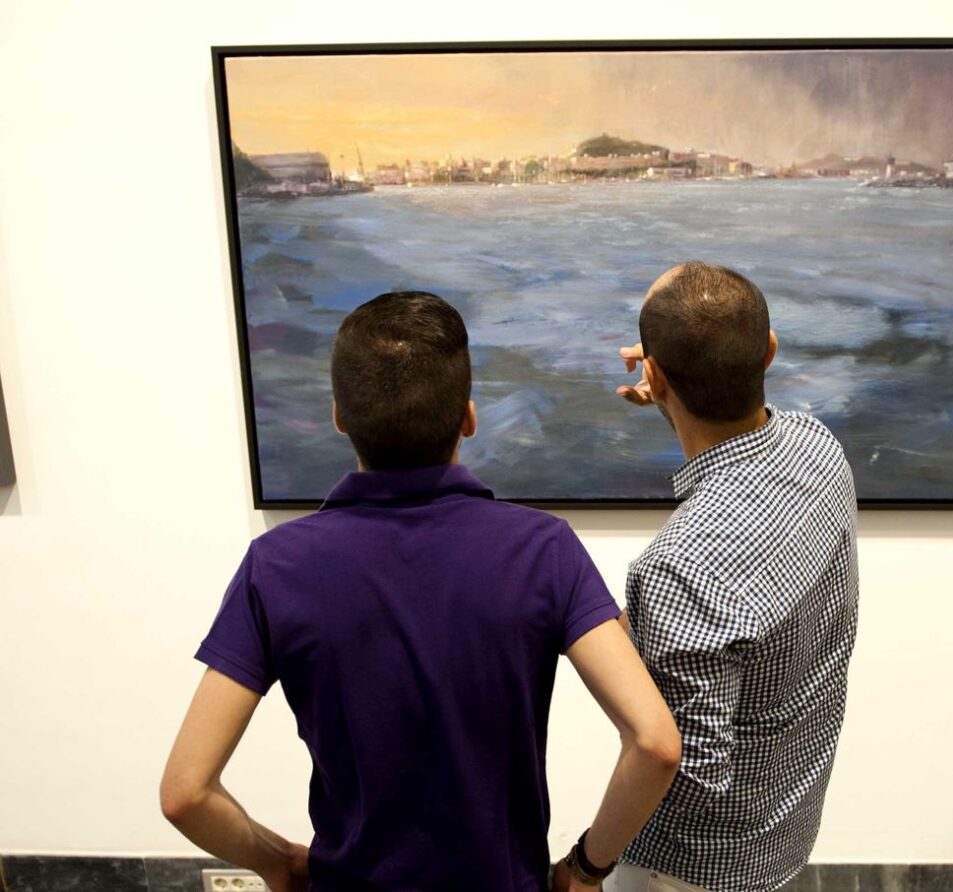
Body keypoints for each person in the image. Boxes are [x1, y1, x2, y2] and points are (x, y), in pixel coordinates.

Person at [161, 291, 681, 891]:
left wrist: (275, 860)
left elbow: (186, 794)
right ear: (468, 418)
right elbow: (655, 744)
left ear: (339, 417)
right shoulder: (544, 550)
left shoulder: (276, 566)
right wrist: (586, 869)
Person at [611, 263, 859, 892]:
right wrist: (669, 393)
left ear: (652, 374)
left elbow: (679, 768)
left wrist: (587, 863)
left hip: (689, 869)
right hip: (782, 831)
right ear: (769, 352)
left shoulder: (678, 566)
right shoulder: (818, 447)